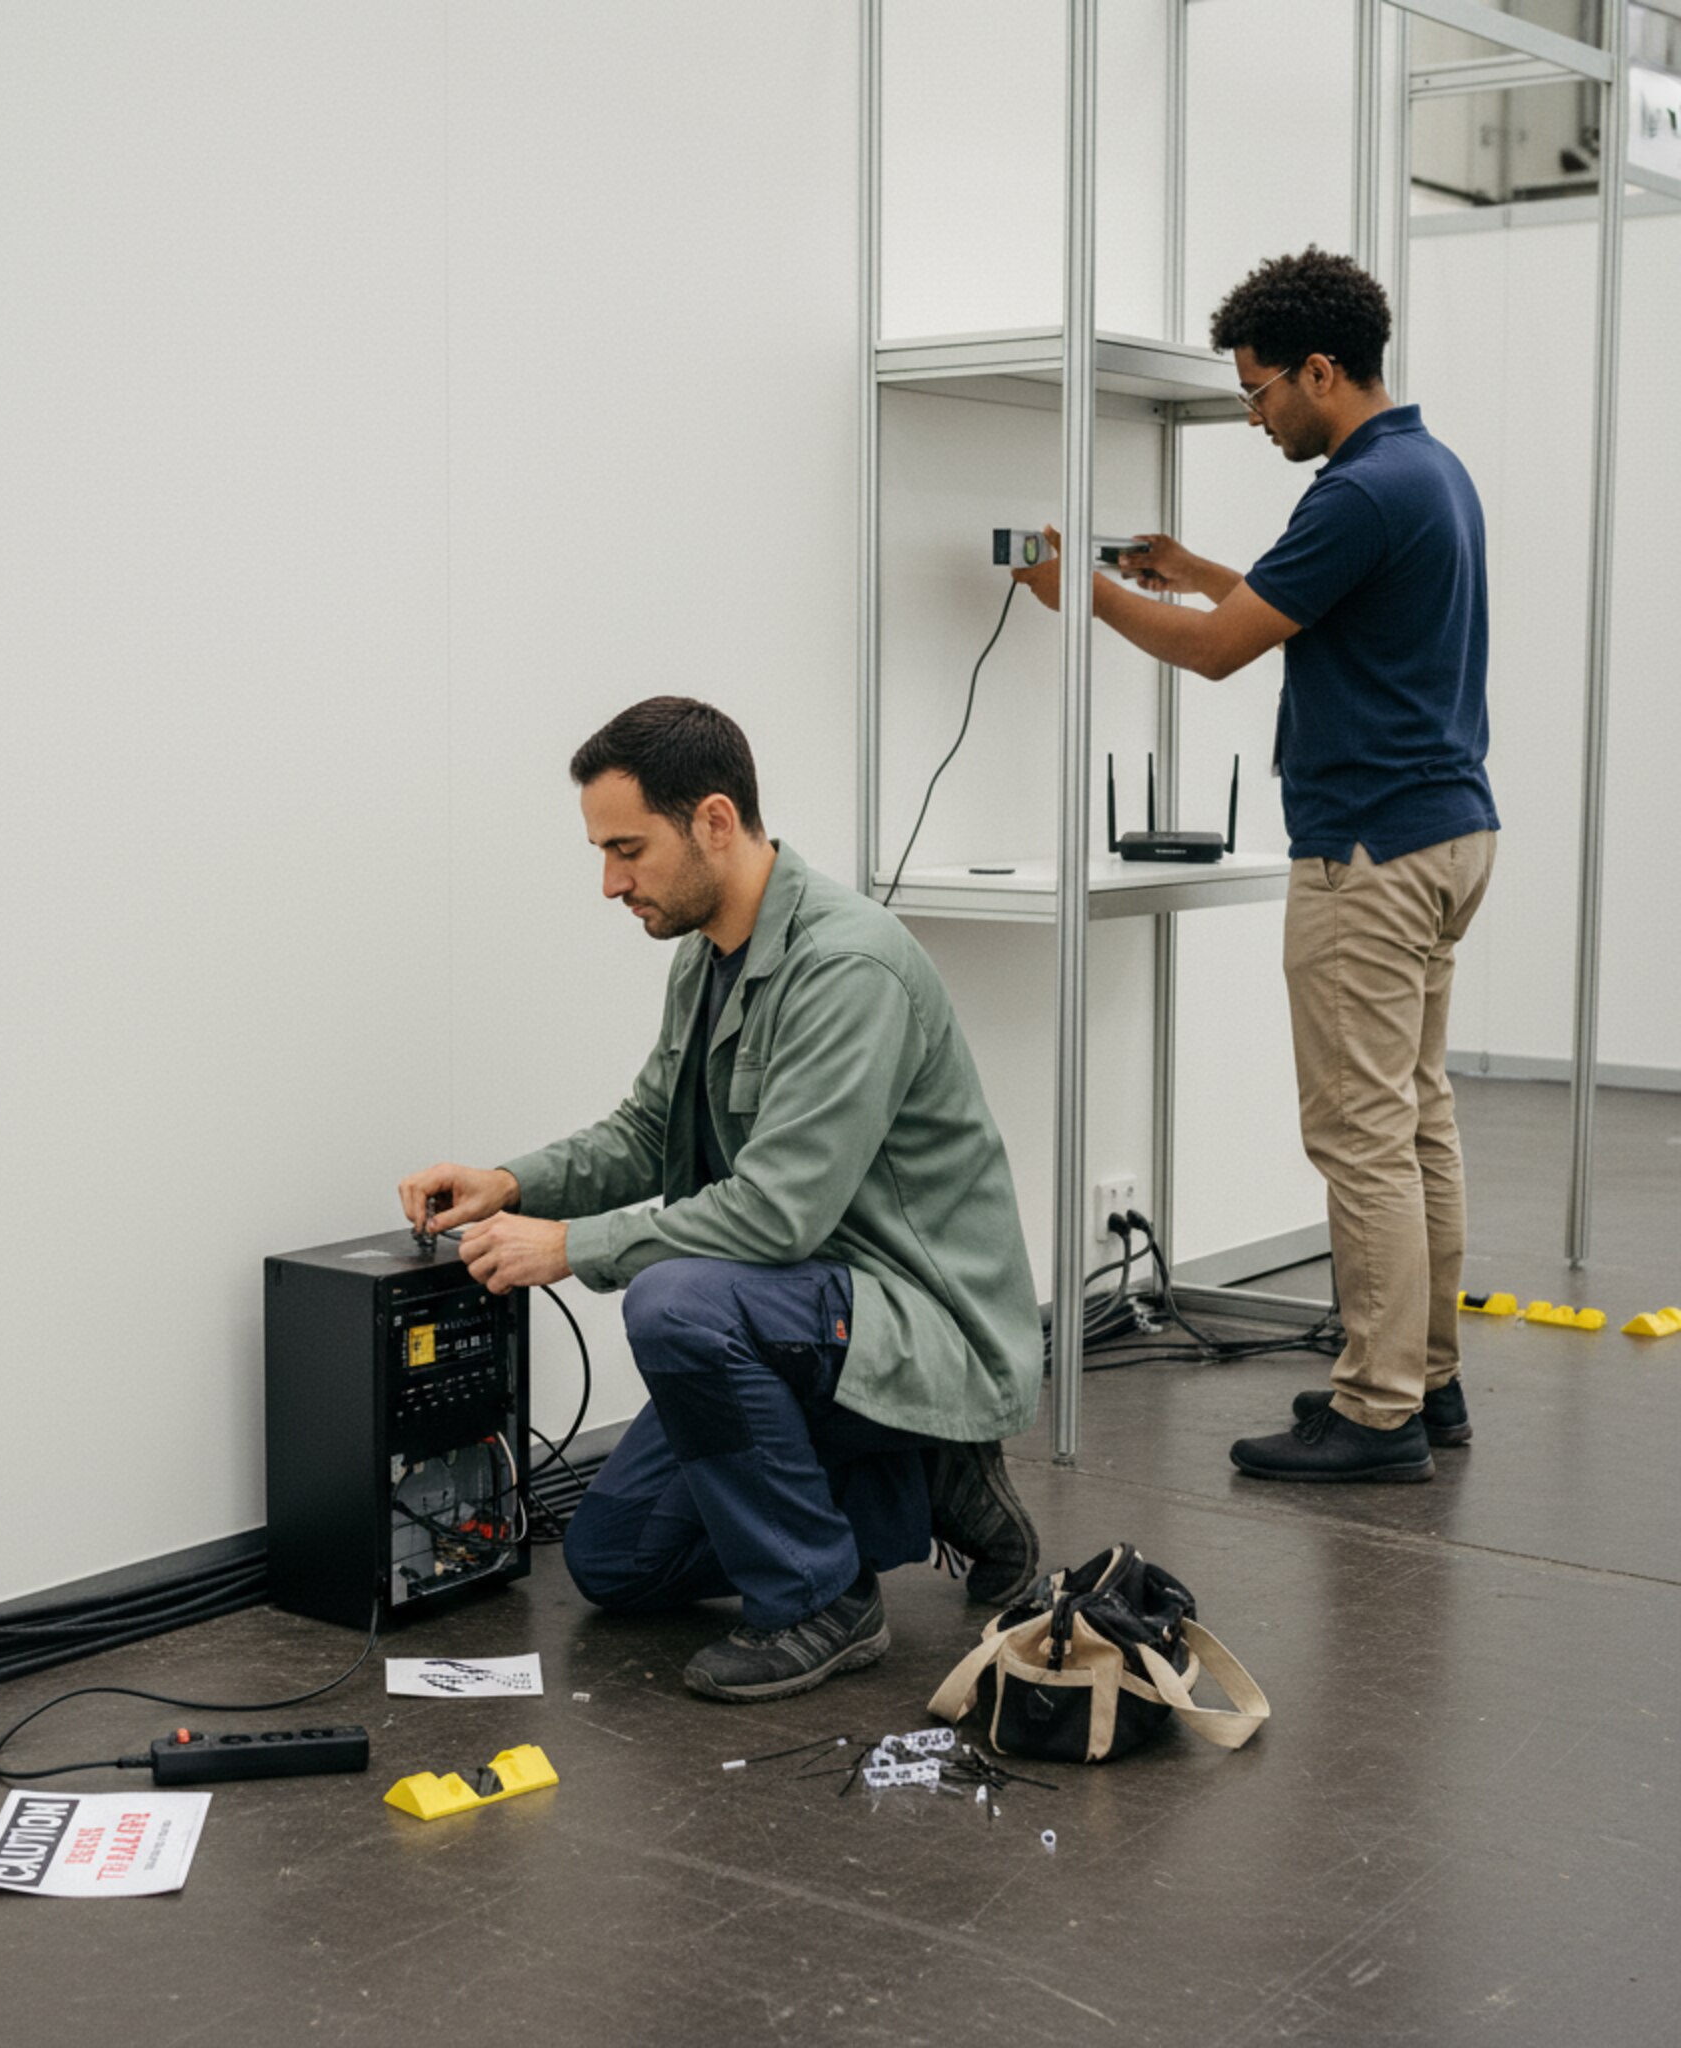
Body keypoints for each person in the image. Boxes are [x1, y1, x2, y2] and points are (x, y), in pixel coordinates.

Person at [399, 698, 1043, 1702]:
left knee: (676, 1302)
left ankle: (822, 1599)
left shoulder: (849, 965)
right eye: (602, 853)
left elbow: (777, 1215)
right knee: (614, 1562)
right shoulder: (705, 957)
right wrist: (511, 1182)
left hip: (915, 1318)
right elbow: (646, 1130)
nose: (611, 883)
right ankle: (920, 1478)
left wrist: (569, 1245)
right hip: (804, 1308)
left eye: (627, 850)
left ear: (712, 820)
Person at [1010, 247, 1497, 1484]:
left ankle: (1375, 1411)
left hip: (1367, 850)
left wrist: (1083, 595)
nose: (1252, 414)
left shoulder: (1355, 491)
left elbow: (1220, 652)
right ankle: (1425, 1377)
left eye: (1257, 390)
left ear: (1318, 370)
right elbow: (1299, 605)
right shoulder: (1424, 469)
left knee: (1360, 1136)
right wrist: (1191, 573)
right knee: (1413, 1122)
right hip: (1447, 833)